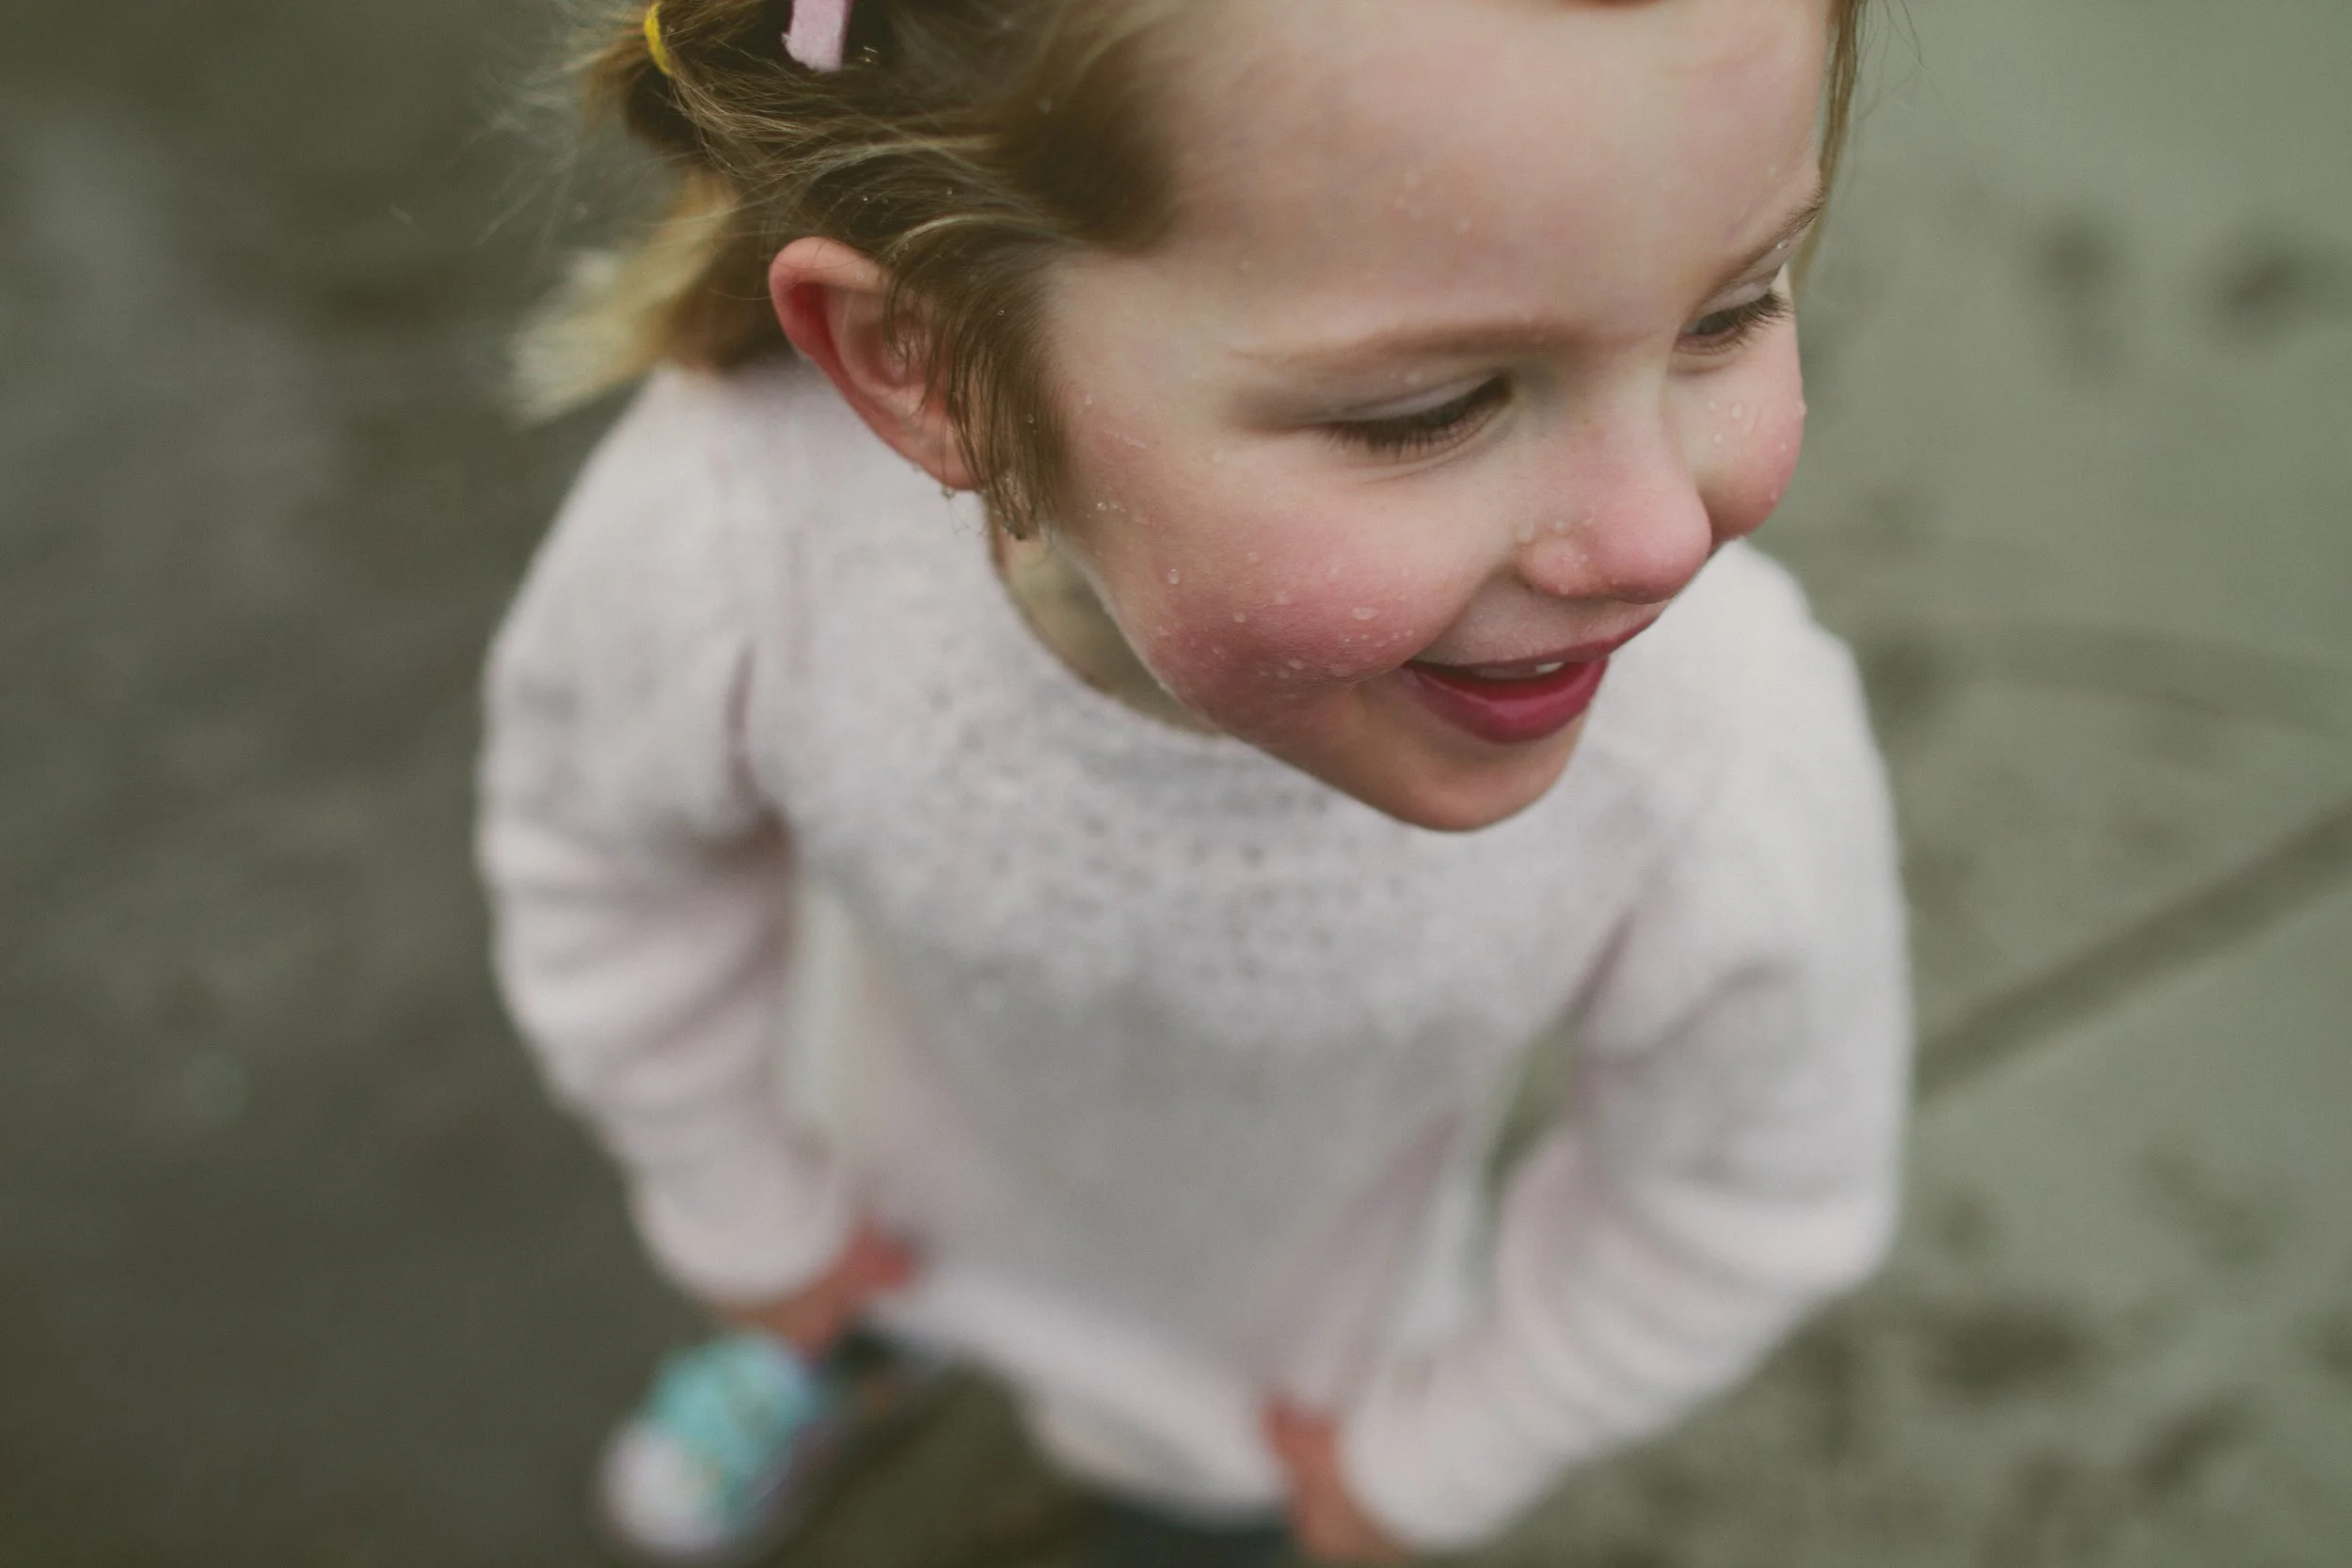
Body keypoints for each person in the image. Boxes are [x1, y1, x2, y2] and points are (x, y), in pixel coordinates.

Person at [477, 0, 1906, 1562]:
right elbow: (603, 859)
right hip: (867, 1199)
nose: (1659, 538)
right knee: (845, 1298)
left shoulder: (1719, 760)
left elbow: (1746, 1191)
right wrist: (739, 1199)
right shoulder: (740, 540)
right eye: (1429, 408)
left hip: (1249, 1405)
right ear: (931, 362)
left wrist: (1435, 1454)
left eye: (1731, 310)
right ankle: (840, 1355)